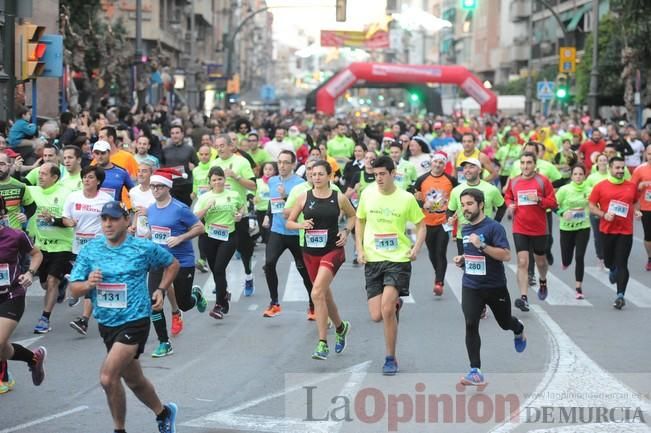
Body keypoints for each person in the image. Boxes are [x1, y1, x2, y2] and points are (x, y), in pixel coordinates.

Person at [69, 201, 180, 433]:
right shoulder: (91, 249)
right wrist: (88, 284)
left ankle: (119, 429)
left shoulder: (142, 248)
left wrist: (160, 289)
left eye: (114, 219)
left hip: (135, 319)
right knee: (134, 380)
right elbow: (74, 288)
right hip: (107, 322)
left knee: (108, 377)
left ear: (126, 220)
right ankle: (164, 412)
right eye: (104, 219)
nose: (108, 224)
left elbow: (172, 264)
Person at [355, 156, 425, 375]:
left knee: (385, 310)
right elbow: (360, 220)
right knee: (376, 315)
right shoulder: (367, 193)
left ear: (393, 173)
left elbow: (422, 225)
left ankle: (390, 358)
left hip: (398, 259)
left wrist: (416, 249)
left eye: (382, 174)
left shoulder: (405, 198)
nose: (378, 178)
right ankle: (395, 305)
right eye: (375, 175)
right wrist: (359, 248)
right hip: (373, 258)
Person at [453, 188, 526, 386]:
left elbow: (506, 255)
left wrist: (483, 246)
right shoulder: (465, 229)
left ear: (481, 204)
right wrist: (463, 259)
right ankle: (475, 370)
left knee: (504, 323)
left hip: (494, 286)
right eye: (463, 205)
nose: (465, 209)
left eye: (469, 204)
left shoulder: (494, 228)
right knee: (470, 323)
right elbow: (472, 254)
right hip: (471, 284)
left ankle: (518, 328)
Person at [286, 160, 356, 359]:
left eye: (320, 174)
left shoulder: (338, 197)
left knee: (316, 293)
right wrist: (301, 225)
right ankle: (341, 328)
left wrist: (346, 231)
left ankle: (322, 343)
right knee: (324, 295)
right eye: (313, 174)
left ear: (329, 176)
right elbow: (289, 222)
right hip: (309, 252)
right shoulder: (303, 197)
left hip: (333, 250)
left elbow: (353, 216)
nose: (316, 177)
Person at [147, 168, 206, 356]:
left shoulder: (180, 209)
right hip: (159, 262)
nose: (155, 190)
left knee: (184, 304)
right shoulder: (150, 209)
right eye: (152, 186)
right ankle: (164, 342)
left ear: (168, 188)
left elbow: (200, 228)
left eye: (159, 186)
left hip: (181, 261)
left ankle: (195, 295)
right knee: (154, 301)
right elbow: (153, 233)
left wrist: (180, 238)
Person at [0, 195, 46, 394]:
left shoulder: (15, 236)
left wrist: (30, 273)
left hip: (11, 295)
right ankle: (32, 358)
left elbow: (37, 254)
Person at [261, 150, 314, 317]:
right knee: (269, 263)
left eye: (286, 162)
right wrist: (268, 216)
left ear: (293, 164)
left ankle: (313, 305)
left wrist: (286, 196)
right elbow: (273, 201)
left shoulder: (300, 184)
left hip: (295, 233)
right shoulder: (272, 181)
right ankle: (274, 302)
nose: (282, 165)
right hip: (277, 230)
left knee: (303, 270)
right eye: (279, 162)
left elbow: (303, 207)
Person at [63, 165, 114, 334]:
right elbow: (65, 217)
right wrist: (68, 222)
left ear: (98, 181)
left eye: (91, 177)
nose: (86, 179)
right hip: (78, 247)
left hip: (99, 247)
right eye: (84, 176)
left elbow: (113, 220)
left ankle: (84, 319)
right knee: (82, 281)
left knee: (92, 282)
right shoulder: (73, 197)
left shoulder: (106, 199)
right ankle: (76, 291)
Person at [504, 152, 557, 312]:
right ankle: (524, 298)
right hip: (520, 227)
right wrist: (510, 205)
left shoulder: (543, 181)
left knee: (540, 261)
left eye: (529, 163)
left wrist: (540, 200)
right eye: (523, 163)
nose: (525, 166)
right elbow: (508, 196)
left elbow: (553, 203)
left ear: (535, 165)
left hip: (539, 228)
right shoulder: (514, 182)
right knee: (522, 262)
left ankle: (542, 280)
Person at [193, 166, 246, 319]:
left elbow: (242, 207)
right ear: (210, 182)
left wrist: (239, 215)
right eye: (214, 180)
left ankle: (218, 305)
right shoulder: (204, 197)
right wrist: (207, 207)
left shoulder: (233, 194)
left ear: (225, 179)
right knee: (218, 271)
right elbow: (195, 217)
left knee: (218, 269)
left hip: (228, 236)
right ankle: (224, 297)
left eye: (220, 179)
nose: (217, 182)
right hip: (209, 238)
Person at [589, 156, 641, 309]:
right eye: (617, 168)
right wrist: (603, 214)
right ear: (610, 168)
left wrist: (636, 211)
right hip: (607, 230)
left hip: (625, 231)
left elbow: (636, 201)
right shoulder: (601, 186)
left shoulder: (631, 186)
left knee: (622, 263)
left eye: (622, 168)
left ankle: (620, 295)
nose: (620, 171)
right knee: (610, 261)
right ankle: (612, 269)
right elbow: (592, 205)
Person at [29, 163, 75, 333]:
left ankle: (44, 319)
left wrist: (53, 219)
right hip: (41, 246)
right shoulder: (32, 191)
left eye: (44, 174)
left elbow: (71, 221)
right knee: (43, 284)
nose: (39, 176)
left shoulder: (67, 194)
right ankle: (62, 282)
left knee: (51, 281)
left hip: (63, 245)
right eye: (39, 173)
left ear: (55, 177)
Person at [210, 134, 257, 293]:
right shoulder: (214, 163)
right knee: (218, 251)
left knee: (244, 249)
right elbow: (210, 187)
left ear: (231, 146)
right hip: (219, 214)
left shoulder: (241, 162)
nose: (219, 149)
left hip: (239, 213)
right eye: (217, 146)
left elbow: (253, 186)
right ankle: (220, 283)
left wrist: (235, 176)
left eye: (222, 145)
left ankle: (248, 276)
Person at [414, 152, 458, 295]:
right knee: (432, 254)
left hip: (443, 222)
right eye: (435, 162)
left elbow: (458, 196)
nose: (438, 165)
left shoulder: (451, 180)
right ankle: (438, 272)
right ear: (431, 163)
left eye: (441, 163)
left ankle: (439, 282)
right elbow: (415, 199)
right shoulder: (422, 180)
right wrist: (423, 203)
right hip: (427, 222)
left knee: (440, 252)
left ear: (444, 165)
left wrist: (453, 215)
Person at [555, 165, 591, 299]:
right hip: (566, 228)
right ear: (571, 176)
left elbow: (596, 204)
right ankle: (565, 262)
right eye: (575, 174)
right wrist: (563, 213)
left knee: (580, 256)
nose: (578, 177)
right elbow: (554, 205)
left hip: (583, 227)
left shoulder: (589, 190)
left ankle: (578, 288)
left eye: (580, 174)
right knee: (567, 257)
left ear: (584, 176)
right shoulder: (565, 190)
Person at [162, 125, 199, 206]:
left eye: (177, 133)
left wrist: (193, 167)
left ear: (182, 134)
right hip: (170, 186)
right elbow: (162, 165)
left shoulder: (190, 149)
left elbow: (198, 165)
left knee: (185, 210)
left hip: (186, 185)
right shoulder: (165, 149)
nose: (175, 135)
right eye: (172, 133)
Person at [631, 145, 651, 271]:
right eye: (650, 154)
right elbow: (631, 189)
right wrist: (640, 186)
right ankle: (650, 258)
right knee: (649, 236)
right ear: (646, 154)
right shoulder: (640, 170)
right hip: (646, 208)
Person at [254, 161, 277, 245]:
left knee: (270, 234)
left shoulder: (277, 181)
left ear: (275, 171)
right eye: (265, 169)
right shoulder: (258, 181)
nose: (267, 171)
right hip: (260, 210)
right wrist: (253, 198)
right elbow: (251, 192)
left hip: (272, 211)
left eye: (270, 169)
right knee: (263, 232)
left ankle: (271, 247)